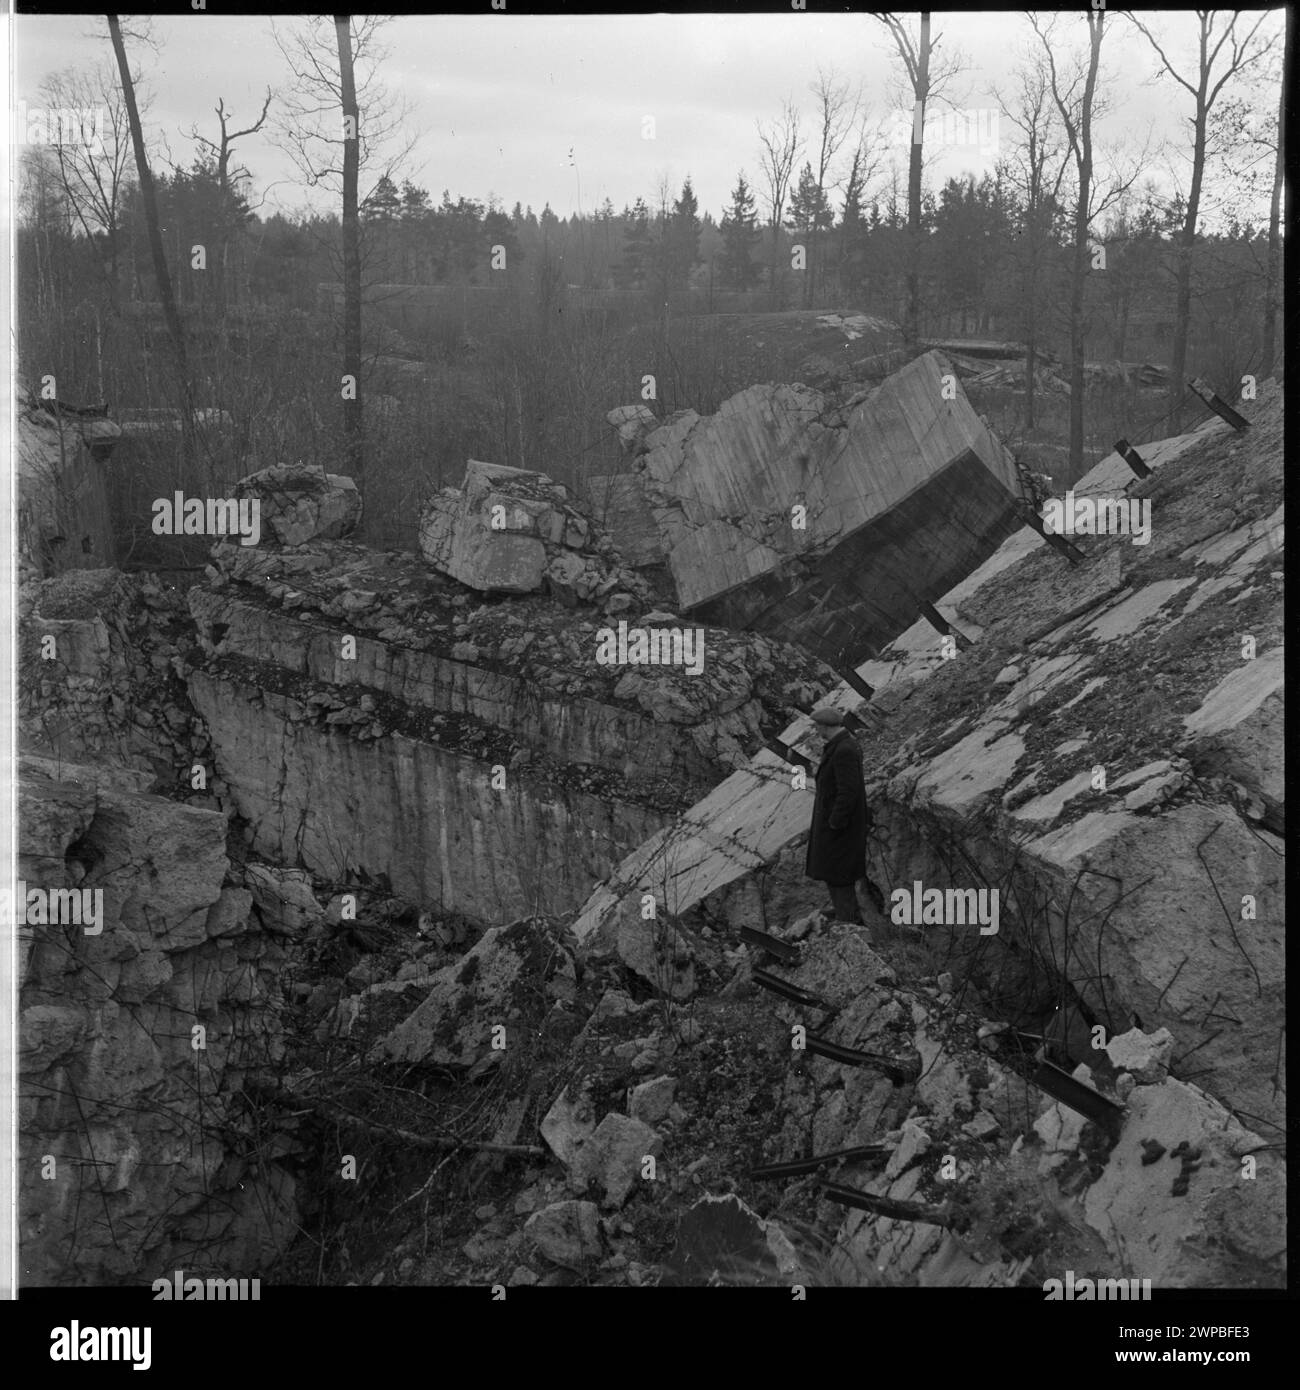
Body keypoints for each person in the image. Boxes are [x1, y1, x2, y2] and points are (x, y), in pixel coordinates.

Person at [803, 706, 879, 924]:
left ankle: (852, 926)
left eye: (817, 725)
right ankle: (848, 920)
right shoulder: (839, 746)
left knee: (839, 877)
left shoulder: (844, 750)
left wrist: (835, 822)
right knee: (835, 876)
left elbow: (848, 791)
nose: (816, 729)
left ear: (825, 726)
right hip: (837, 828)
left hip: (841, 830)